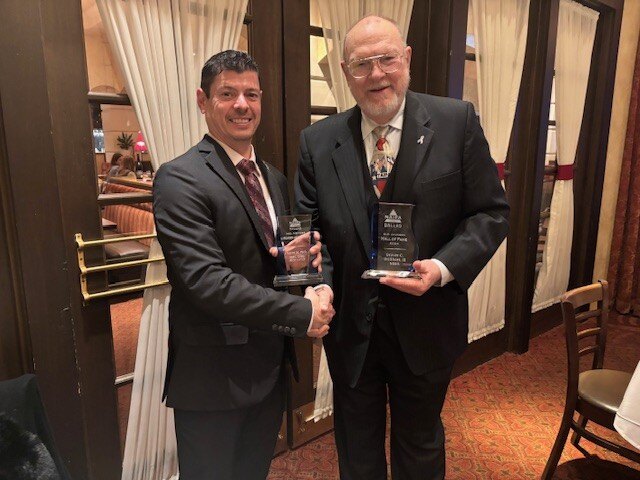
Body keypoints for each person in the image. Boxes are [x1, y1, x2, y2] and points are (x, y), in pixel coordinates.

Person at [294, 15, 509, 480]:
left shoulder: (456, 121)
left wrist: (443, 266)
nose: (376, 74)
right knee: (356, 448)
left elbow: (491, 213)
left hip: (428, 323)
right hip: (351, 330)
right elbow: (311, 234)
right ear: (347, 74)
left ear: (406, 58)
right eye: (361, 64)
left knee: (421, 445)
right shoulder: (317, 141)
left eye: (387, 58)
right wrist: (319, 287)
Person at [153, 50, 334, 480]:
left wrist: (312, 277)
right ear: (202, 101)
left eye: (251, 94)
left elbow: (278, 259)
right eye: (227, 93)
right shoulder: (178, 178)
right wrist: (301, 314)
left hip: (269, 371)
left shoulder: (271, 177)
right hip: (214, 381)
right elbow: (207, 282)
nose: (242, 105)